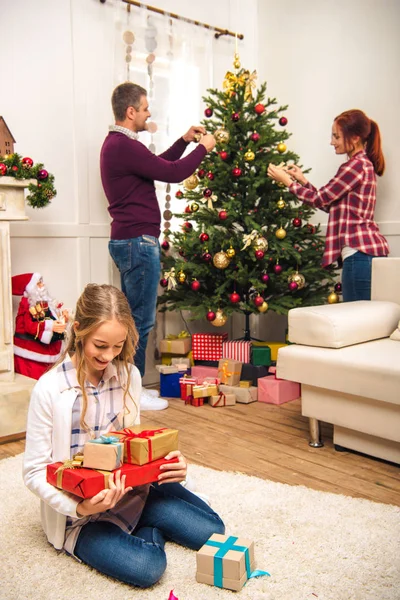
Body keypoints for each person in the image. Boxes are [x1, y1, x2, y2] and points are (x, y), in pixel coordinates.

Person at [23, 283, 224, 589]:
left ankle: (143, 516)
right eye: (100, 345)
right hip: (81, 516)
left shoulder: (129, 375)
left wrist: (169, 464)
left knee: (214, 531)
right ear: (79, 330)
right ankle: (147, 527)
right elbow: (35, 472)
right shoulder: (49, 388)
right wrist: (80, 507)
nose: (109, 355)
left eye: (117, 346)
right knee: (147, 567)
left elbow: (136, 444)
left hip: (133, 492)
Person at [100, 82, 216, 410]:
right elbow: (174, 172)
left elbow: (158, 165)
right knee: (140, 320)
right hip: (138, 242)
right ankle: (129, 394)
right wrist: (203, 147)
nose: (149, 113)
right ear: (131, 111)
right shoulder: (122, 145)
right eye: (145, 107)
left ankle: (129, 388)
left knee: (134, 318)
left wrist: (183, 140)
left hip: (132, 240)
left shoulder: (121, 146)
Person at [267, 109, 389, 302]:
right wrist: (303, 181)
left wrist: (289, 183)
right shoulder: (362, 165)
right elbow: (330, 204)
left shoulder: (355, 166)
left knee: (357, 320)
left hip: (359, 255)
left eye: (336, 136)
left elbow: (320, 199)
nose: (332, 142)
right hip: (362, 255)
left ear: (355, 137)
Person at [12, 272, 68, 379]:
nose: (43, 285)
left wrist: (62, 317)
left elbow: (50, 317)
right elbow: (29, 326)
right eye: (39, 283)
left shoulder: (44, 303)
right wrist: (51, 326)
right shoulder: (27, 304)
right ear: (31, 288)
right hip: (31, 354)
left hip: (47, 352)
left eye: (42, 282)